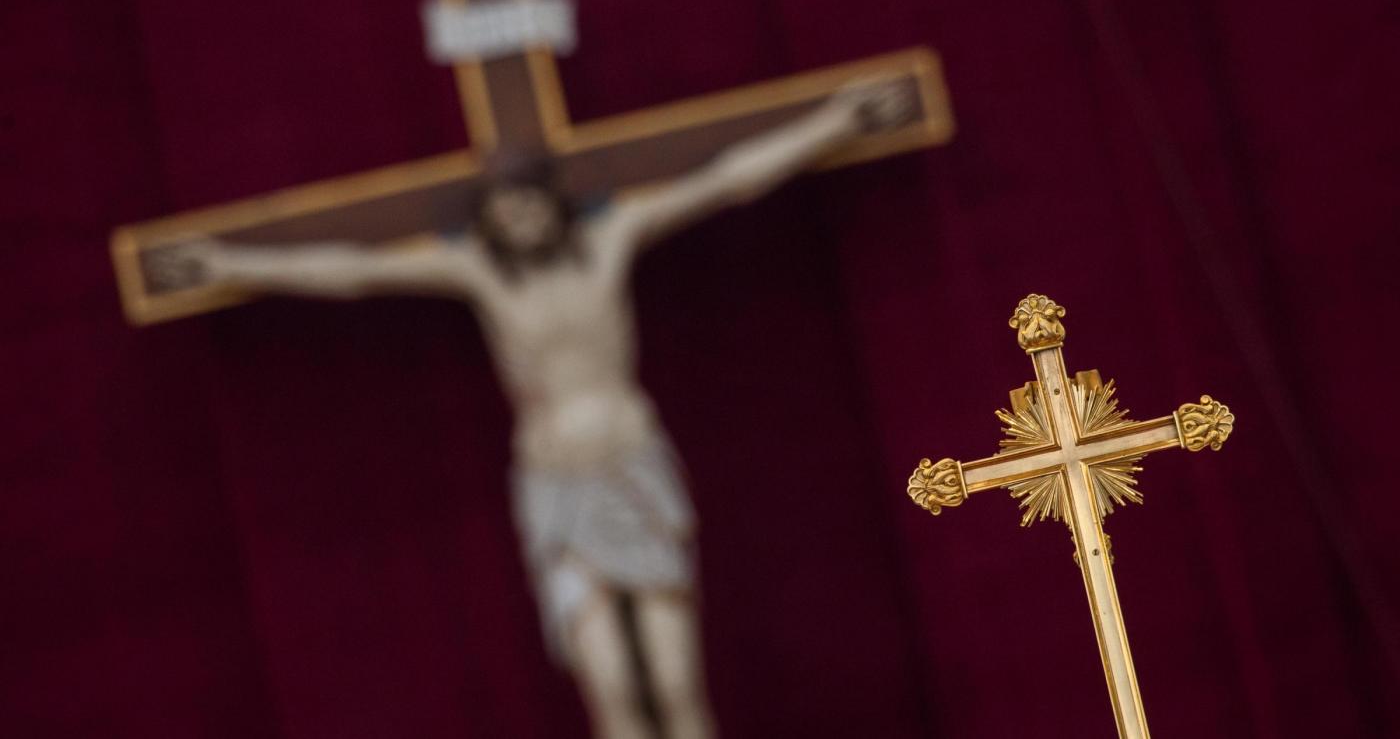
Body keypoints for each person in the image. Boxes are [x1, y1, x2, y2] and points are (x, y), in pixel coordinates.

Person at [154, 80, 914, 739]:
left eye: (528, 202)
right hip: (559, 489)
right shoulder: (480, 275)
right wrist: (230, 262)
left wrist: (835, 123)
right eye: (505, 209)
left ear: (553, 201)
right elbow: (353, 272)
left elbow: (726, 181)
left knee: (676, 680)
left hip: (632, 472)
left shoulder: (612, 239)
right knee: (612, 688)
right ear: (490, 219)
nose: (519, 218)